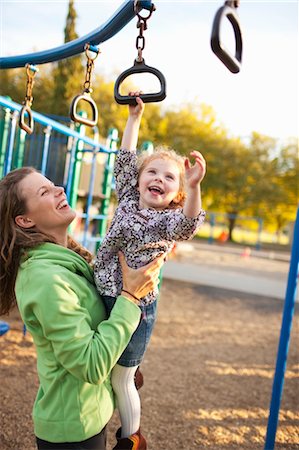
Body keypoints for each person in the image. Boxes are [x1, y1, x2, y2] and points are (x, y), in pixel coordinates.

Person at [0, 167, 164, 450]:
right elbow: (89, 364)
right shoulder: (46, 279)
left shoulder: (68, 260)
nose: (59, 190)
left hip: (88, 415)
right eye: (44, 192)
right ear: (25, 220)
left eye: (53, 185)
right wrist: (130, 296)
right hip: (72, 432)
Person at [94, 94, 206, 449]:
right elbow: (126, 159)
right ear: (138, 180)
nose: (158, 179)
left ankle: (131, 438)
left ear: (176, 193)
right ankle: (131, 365)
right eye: (152, 172)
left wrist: (195, 186)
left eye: (169, 178)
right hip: (105, 292)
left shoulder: (168, 221)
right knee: (104, 364)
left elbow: (189, 224)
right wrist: (134, 117)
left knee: (121, 380)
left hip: (138, 308)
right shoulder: (127, 198)